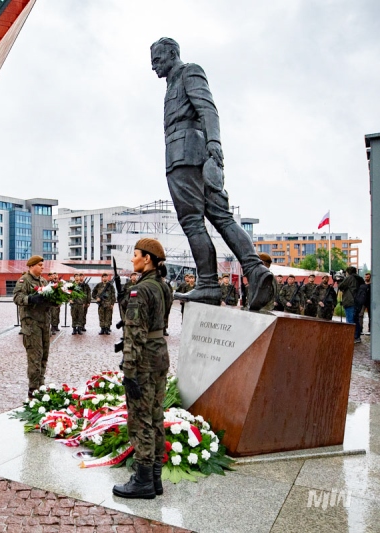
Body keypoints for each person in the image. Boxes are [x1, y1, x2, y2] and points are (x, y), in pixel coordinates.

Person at [150, 37, 273, 310]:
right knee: (221, 216)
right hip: (195, 153)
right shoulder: (172, 82)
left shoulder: (188, 71)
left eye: (157, 60)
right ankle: (256, 270)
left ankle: (207, 284)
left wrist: (214, 144)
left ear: (172, 54)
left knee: (192, 221)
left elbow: (208, 109)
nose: (153, 67)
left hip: (186, 154)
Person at [112, 238, 171, 500]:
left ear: (147, 258)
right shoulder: (163, 286)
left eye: (135, 254)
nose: (133, 259)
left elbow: (134, 333)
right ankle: (155, 477)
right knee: (156, 416)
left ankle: (143, 479)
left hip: (144, 360)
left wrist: (129, 372)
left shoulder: (141, 290)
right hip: (160, 355)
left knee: (141, 420)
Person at [13, 256, 52, 398]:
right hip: (31, 324)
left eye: (43, 265)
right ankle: (33, 387)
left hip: (44, 323)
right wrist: (30, 299)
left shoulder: (43, 281)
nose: (42, 267)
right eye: (40, 265)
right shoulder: (24, 280)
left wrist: (56, 300)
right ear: (32, 266)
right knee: (35, 356)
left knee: (44, 355)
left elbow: (48, 298)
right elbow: (17, 297)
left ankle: (41, 384)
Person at [339, 266, 364, 343]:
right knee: (356, 320)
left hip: (350, 301)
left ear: (348, 272)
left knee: (350, 320)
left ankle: (351, 337)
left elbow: (341, 286)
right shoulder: (360, 279)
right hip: (358, 302)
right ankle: (357, 337)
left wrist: (340, 280)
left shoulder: (350, 278)